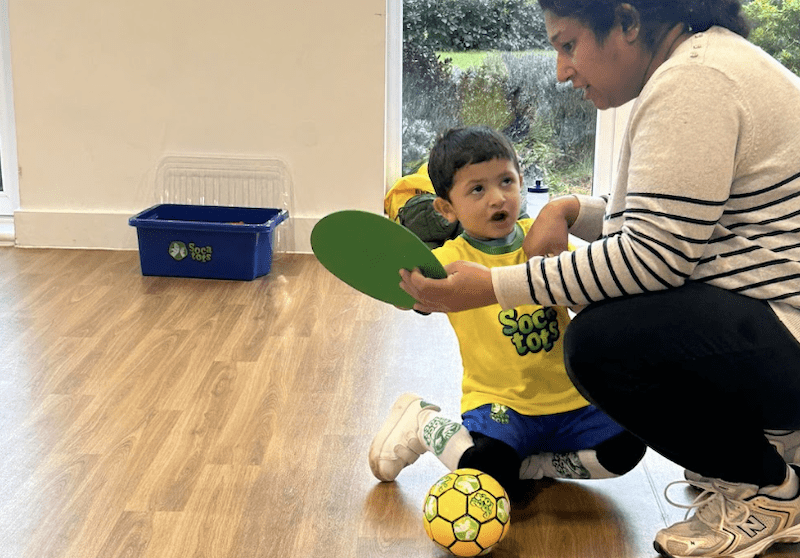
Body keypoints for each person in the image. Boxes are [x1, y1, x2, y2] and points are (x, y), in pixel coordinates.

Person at [397, 2, 800, 557]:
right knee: (611, 320)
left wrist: (496, 286)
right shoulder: (703, 65)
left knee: (601, 342)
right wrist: (566, 209)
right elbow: (667, 212)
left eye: (568, 45)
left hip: (786, 333)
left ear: (628, 23)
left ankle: (769, 490)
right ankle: (768, 454)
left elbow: (655, 257)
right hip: (776, 323)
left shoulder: (694, 82)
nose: (562, 70)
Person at [368, 126, 646, 501]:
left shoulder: (542, 237)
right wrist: (417, 294)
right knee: (487, 471)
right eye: (477, 189)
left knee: (627, 449)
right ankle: (422, 423)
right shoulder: (448, 264)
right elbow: (416, 295)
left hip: (570, 399)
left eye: (506, 181)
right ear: (446, 208)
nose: (497, 198)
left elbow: (586, 298)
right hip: (500, 406)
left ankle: (530, 467)